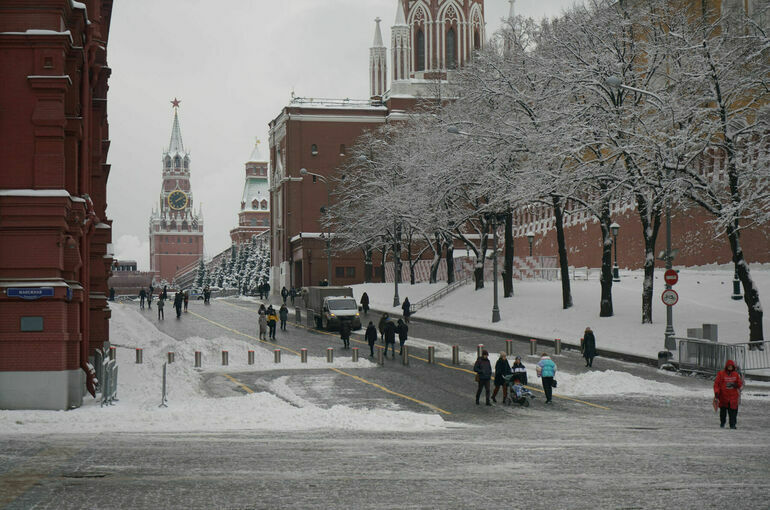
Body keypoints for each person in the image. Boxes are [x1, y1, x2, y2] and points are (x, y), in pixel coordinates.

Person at [714, 359, 743, 429]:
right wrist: (717, 393)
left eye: (731, 366)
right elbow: (716, 384)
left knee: (733, 412)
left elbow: (740, 383)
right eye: (729, 366)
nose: (730, 368)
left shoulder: (736, 374)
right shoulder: (721, 374)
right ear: (726, 366)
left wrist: (736, 385)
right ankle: (722, 423)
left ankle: (732, 425)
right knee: (723, 412)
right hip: (723, 397)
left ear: (733, 367)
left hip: (733, 397)